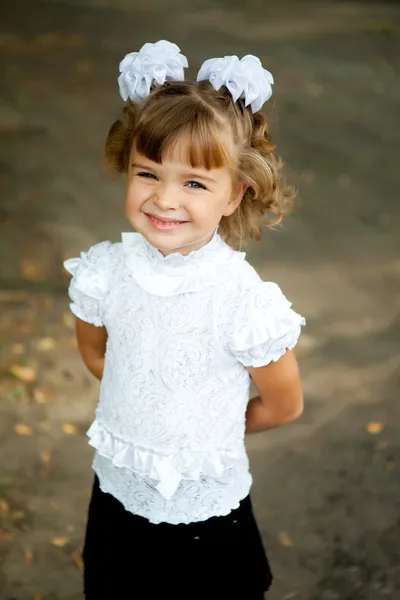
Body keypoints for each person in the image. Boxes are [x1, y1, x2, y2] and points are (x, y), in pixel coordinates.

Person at [64, 40, 305, 600]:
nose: (164, 199)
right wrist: (148, 410)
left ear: (234, 193)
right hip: (120, 494)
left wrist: (209, 424)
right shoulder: (105, 271)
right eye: (147, 173)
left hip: (208, 513)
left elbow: (284, 403)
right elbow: (98, 354)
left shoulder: (243, 300)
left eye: (194, 183)